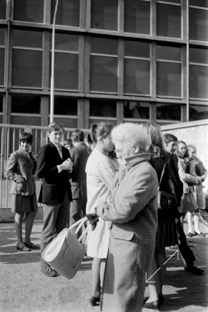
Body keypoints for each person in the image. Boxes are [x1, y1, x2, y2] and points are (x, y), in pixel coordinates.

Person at [91, 123, 158, 312]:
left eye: (121, 148)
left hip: (132, 246)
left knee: (124, 303)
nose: (117, 152)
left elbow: (122, 210)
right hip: (123, 243)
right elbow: (114, 198)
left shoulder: (144, 171)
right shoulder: (130, 169)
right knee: (116, 300)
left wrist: (100, 210)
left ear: (136, 148)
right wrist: (122, 168)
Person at [144, 122, 180, 309]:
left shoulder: (144, 157)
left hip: (149, 209)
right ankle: (159, 292)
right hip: (165, 210)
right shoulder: (169, 157)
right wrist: (176, 205)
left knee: (150, 253)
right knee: (161, 253)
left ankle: (153, 295)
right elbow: (178, 185)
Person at [85, 122, 119, 306]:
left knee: (98, 254)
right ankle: (103, 293)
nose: (114, 142)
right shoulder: (101, 161)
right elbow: (116, 185)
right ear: (100, 139)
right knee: (104, 254)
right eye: (110, 139)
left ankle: (96, 292)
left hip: (96, 212)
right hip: (102, 213)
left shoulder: (97, 156)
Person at [163, 133, 204, 275]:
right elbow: (179, 177)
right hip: (168, 202)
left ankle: (189, 262)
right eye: (174, 145)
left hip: (171, 201)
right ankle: (188, 263)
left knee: (179, 231)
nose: (178, 149)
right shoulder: (169, 159)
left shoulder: (173, 158)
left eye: (179, 146)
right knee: (177, 232)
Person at [36, 123, 73, 277]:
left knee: (61, 231)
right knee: (48, 231)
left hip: (64, 194)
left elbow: (69, 172)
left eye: (60, 134)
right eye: (55, 134)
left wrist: (70, 169)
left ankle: (57, 262)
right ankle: (45, 266)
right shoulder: (46, 149)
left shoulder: (65, 150)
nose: (58, 137)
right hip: (51, 195)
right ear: (49, 135)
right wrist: (60, 167)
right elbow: (40, 172)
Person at [6, 131, 38, 251]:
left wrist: (34, 160)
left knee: (32, 213)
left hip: (30, 189)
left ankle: (27, 240)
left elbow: (34, 171)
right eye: (23, 142)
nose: (25, 144)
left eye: (27, 142)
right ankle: (19, 243)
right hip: (19, 190)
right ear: (20, 142)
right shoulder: (15, 155)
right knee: (19, 215)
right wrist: (18, 178)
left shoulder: (30, 155)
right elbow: (7, 172)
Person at [68, 129, 89, 227]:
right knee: (87, 217)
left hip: (76, 188)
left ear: (73, 139)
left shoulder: (75, 150)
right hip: (88, 188)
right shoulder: (89, 150)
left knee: (74, 218)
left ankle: (75, 241)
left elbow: (71, 170)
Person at [186, 144, 207, 237]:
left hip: (198, 187)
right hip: (190, 187)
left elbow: (204, 171)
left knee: (197, 209)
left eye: (195, 152)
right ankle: (190, 230)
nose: (194, 154)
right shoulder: (186, 161)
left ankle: (197, 229)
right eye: (192, 152)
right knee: (190, 209)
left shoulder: (198, 161)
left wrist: (202, 177)